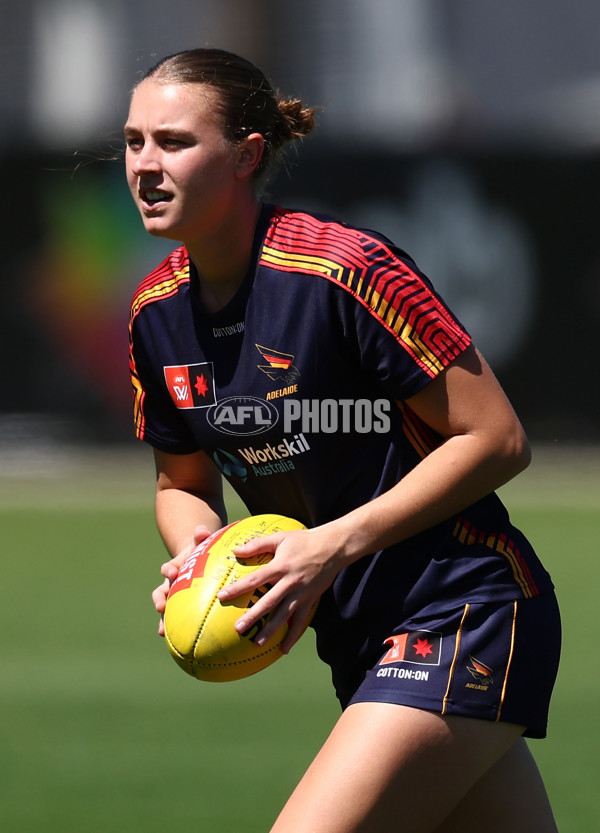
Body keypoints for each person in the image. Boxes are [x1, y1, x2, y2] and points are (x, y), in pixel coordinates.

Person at [125, 48, 561, 833]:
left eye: (174, 142)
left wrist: (330, 544)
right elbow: (181, 485)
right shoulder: (153, 316)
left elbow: (497, 438)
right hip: (361, 639)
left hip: (463, 608)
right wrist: (201, 558)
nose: (146, 166)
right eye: (133, 141)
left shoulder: (345, 269)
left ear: (247, 154)